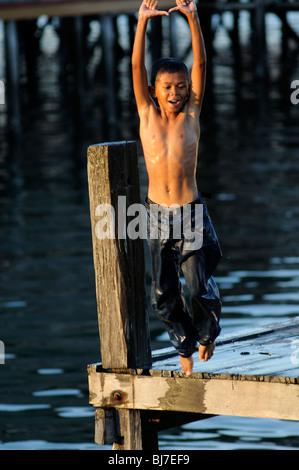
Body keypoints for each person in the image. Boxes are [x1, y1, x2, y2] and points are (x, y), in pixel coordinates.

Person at [132, 0, 222, 375]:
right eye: (168, 87)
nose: (175, 92)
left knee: (196, 288)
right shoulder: (147, 114)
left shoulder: (192, 115)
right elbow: (136, 66)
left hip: (189, 212)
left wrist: (193, 18)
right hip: (155, 214)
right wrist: (141, 24)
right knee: (161, 295)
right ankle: (183, 345)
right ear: (154, 90)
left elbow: (200, 64)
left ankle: (207, 334)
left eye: (181, 87)